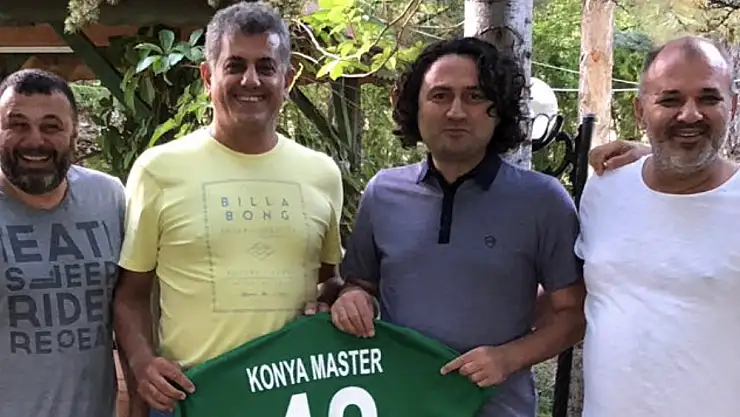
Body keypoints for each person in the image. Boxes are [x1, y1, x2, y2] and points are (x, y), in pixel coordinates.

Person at [329, 37, 586, 417]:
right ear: (415, 107)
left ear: (498, 110)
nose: (456, 111)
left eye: (474, 96)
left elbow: (574, 315)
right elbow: (360, 285)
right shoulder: (383, 193)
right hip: (398, 405)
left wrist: (508, 358)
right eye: (440, 96)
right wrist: (352, 299)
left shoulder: (543, 201)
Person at [112, 2, 344, 416]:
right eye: (235, 65)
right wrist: (143, 363)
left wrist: (334, 301)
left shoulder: (322, 174)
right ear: (208, 76)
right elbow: (131, 295)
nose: (250, 80)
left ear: (287, 79)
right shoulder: (158, 170)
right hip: (194, 396)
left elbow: (329, 281)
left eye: (266, 67)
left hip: (295, 398)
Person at [575, 36, 739, 417]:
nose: (690, 114)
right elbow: (573, 295)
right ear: (640, 111)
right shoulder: (605, 189)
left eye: (709, 99)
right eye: (670, 100)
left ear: (733, 106)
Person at [0, 68, 142, 416]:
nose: (35, 141)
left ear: (74, 133)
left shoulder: (109, 197)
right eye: (17, 124)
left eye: (51, 126)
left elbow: (134, 305)